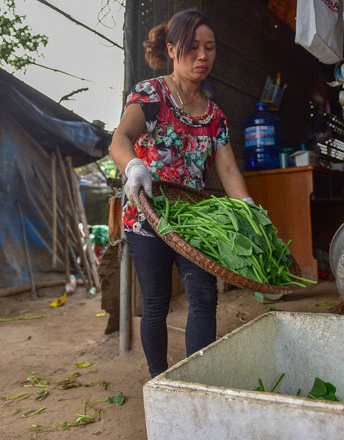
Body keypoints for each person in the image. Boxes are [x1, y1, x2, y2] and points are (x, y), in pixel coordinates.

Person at [110, 10, 253, 378]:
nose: (202, 56)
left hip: (192, 220)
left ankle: (197, 381)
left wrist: (248, 208)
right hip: (146, 215)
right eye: (192, 48)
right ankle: (160, 379)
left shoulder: (214, 115)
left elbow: (227, 169)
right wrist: (134, 167)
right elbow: (120, 140)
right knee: (157, 302)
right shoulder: (151, 95)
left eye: (209, 48)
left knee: (204, 298)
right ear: (172, 50)